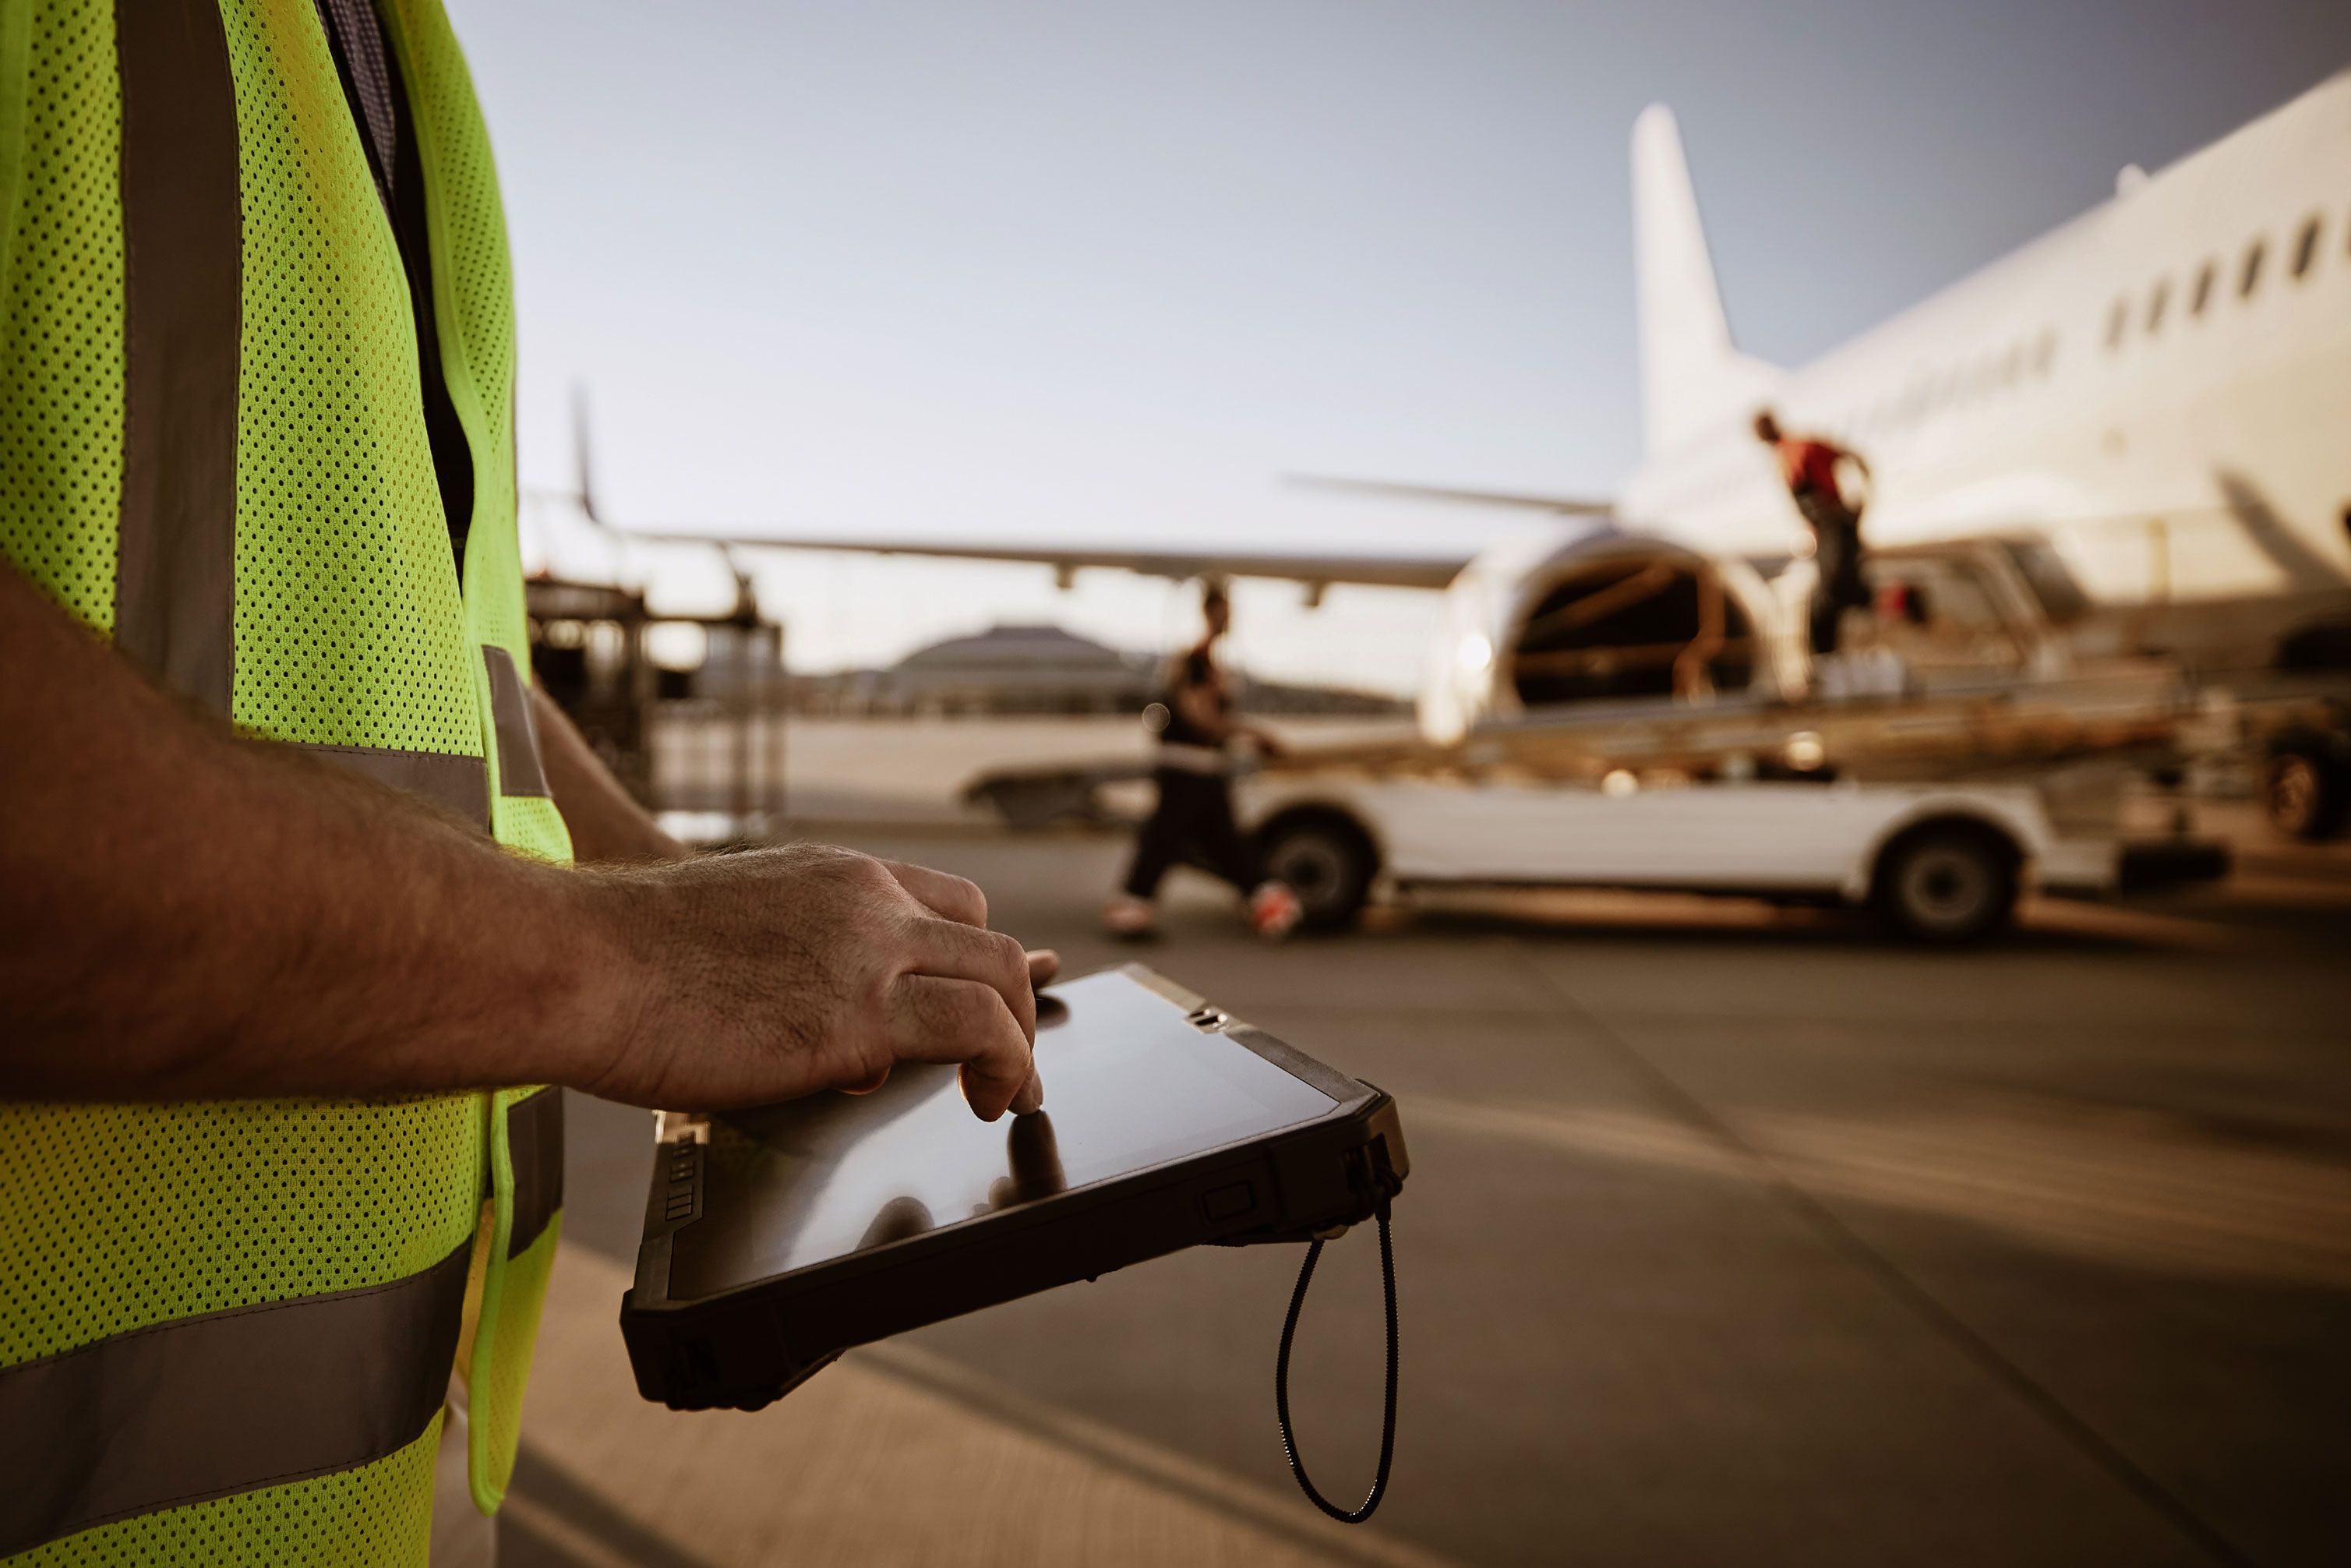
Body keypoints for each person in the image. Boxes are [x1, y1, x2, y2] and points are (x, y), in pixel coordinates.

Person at [0, 5, 1049, 1563]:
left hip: (368, 1474)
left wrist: (682, 899)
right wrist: (638, 964)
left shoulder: (379, 45)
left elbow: (453, 639)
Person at [1103, 581, 1302, 941]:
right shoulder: (1196, 662)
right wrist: (1253, 733)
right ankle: (1132, 906)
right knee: (1169, 837)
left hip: (1205, 767)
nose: (1228, 619)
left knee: (1213, 840)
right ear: (1209, 612)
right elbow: (1199, 716)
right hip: (1187, 767)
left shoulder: (1208, 662)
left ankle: (1267, 899)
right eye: (1222, 611)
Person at [1753, 408, 1873, 658]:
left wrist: (1862, 497)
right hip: (1828, 528)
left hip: (1835, 525)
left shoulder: (1799, 448)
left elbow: (1852, 458)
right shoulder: (1784, 455)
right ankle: (1827, 654)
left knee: (1834, 590)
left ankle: (1827, 654)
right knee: (1835, 588)